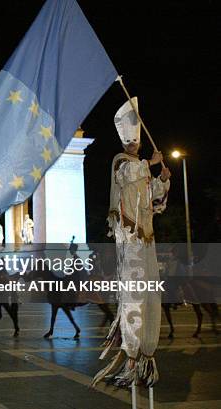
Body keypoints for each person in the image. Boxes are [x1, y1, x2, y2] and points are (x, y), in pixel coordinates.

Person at [93, 98, 170, 388]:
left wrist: (162, 180)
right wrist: (150, 163)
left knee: (151, 294)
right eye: (131, 140)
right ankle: (132, 357)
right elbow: (127, 176)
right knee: (134, 294)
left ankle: (147, 354)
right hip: (131, 237)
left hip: (147, 238)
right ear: (125, 141)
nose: (134, 144)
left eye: (136, 141)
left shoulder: (142, 168)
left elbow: (155, 203)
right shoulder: (121, 161)